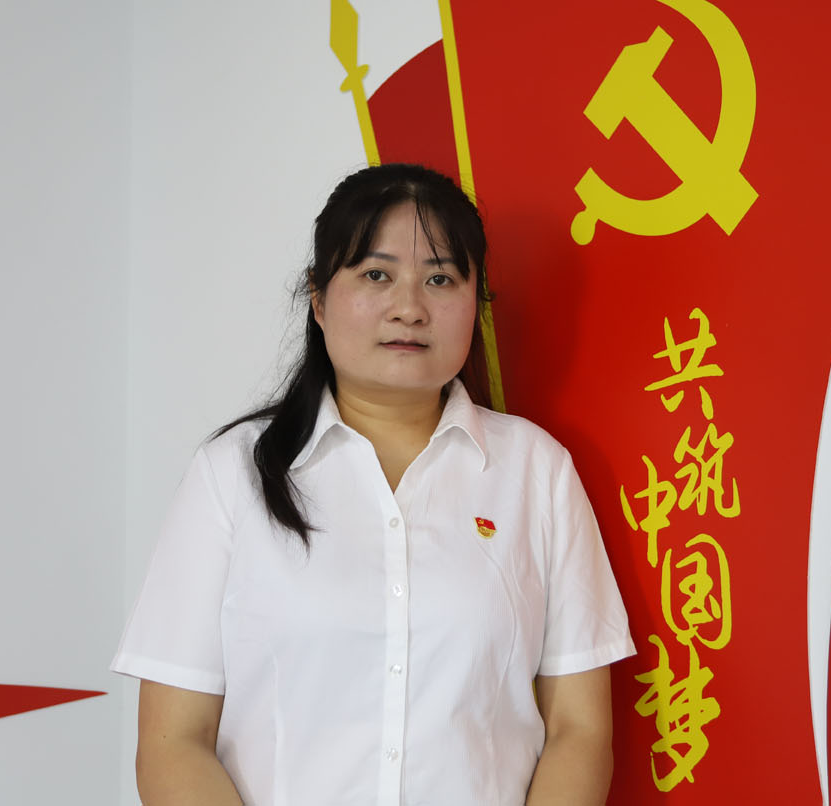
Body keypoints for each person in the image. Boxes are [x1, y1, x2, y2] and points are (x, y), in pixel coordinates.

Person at [113, 163, 635, 806]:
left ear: (476, 301)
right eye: (376, 275)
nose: (409, 308)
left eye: (440, 278)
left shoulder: (537, 471)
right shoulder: (232, 473)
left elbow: (580, 731)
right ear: (318, 299)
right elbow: (173, 743)